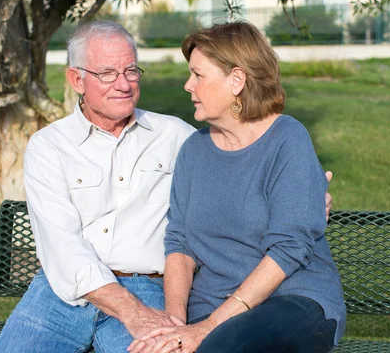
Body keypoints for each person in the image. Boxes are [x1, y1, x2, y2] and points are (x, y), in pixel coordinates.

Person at [0, 20, 333, 353]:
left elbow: (272, 191)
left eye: (131, 71)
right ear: (76, 79)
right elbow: (63, 248)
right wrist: (140, 313)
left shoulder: (177, 137)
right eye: (108, 73)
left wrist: (308, 201)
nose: (123, 84)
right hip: (64, 294)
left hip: (149, 288)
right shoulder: (49, 146)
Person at [129, 21, 346, 353]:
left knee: (224, 347)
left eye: (198, 75)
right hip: (211, 309)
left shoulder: (287, 139)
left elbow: (288, 249)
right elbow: (180, 244)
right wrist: (173, 325)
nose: (188, 85)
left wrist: (207, 328)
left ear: (236, 80)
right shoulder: (194, 151)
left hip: (290, 301)